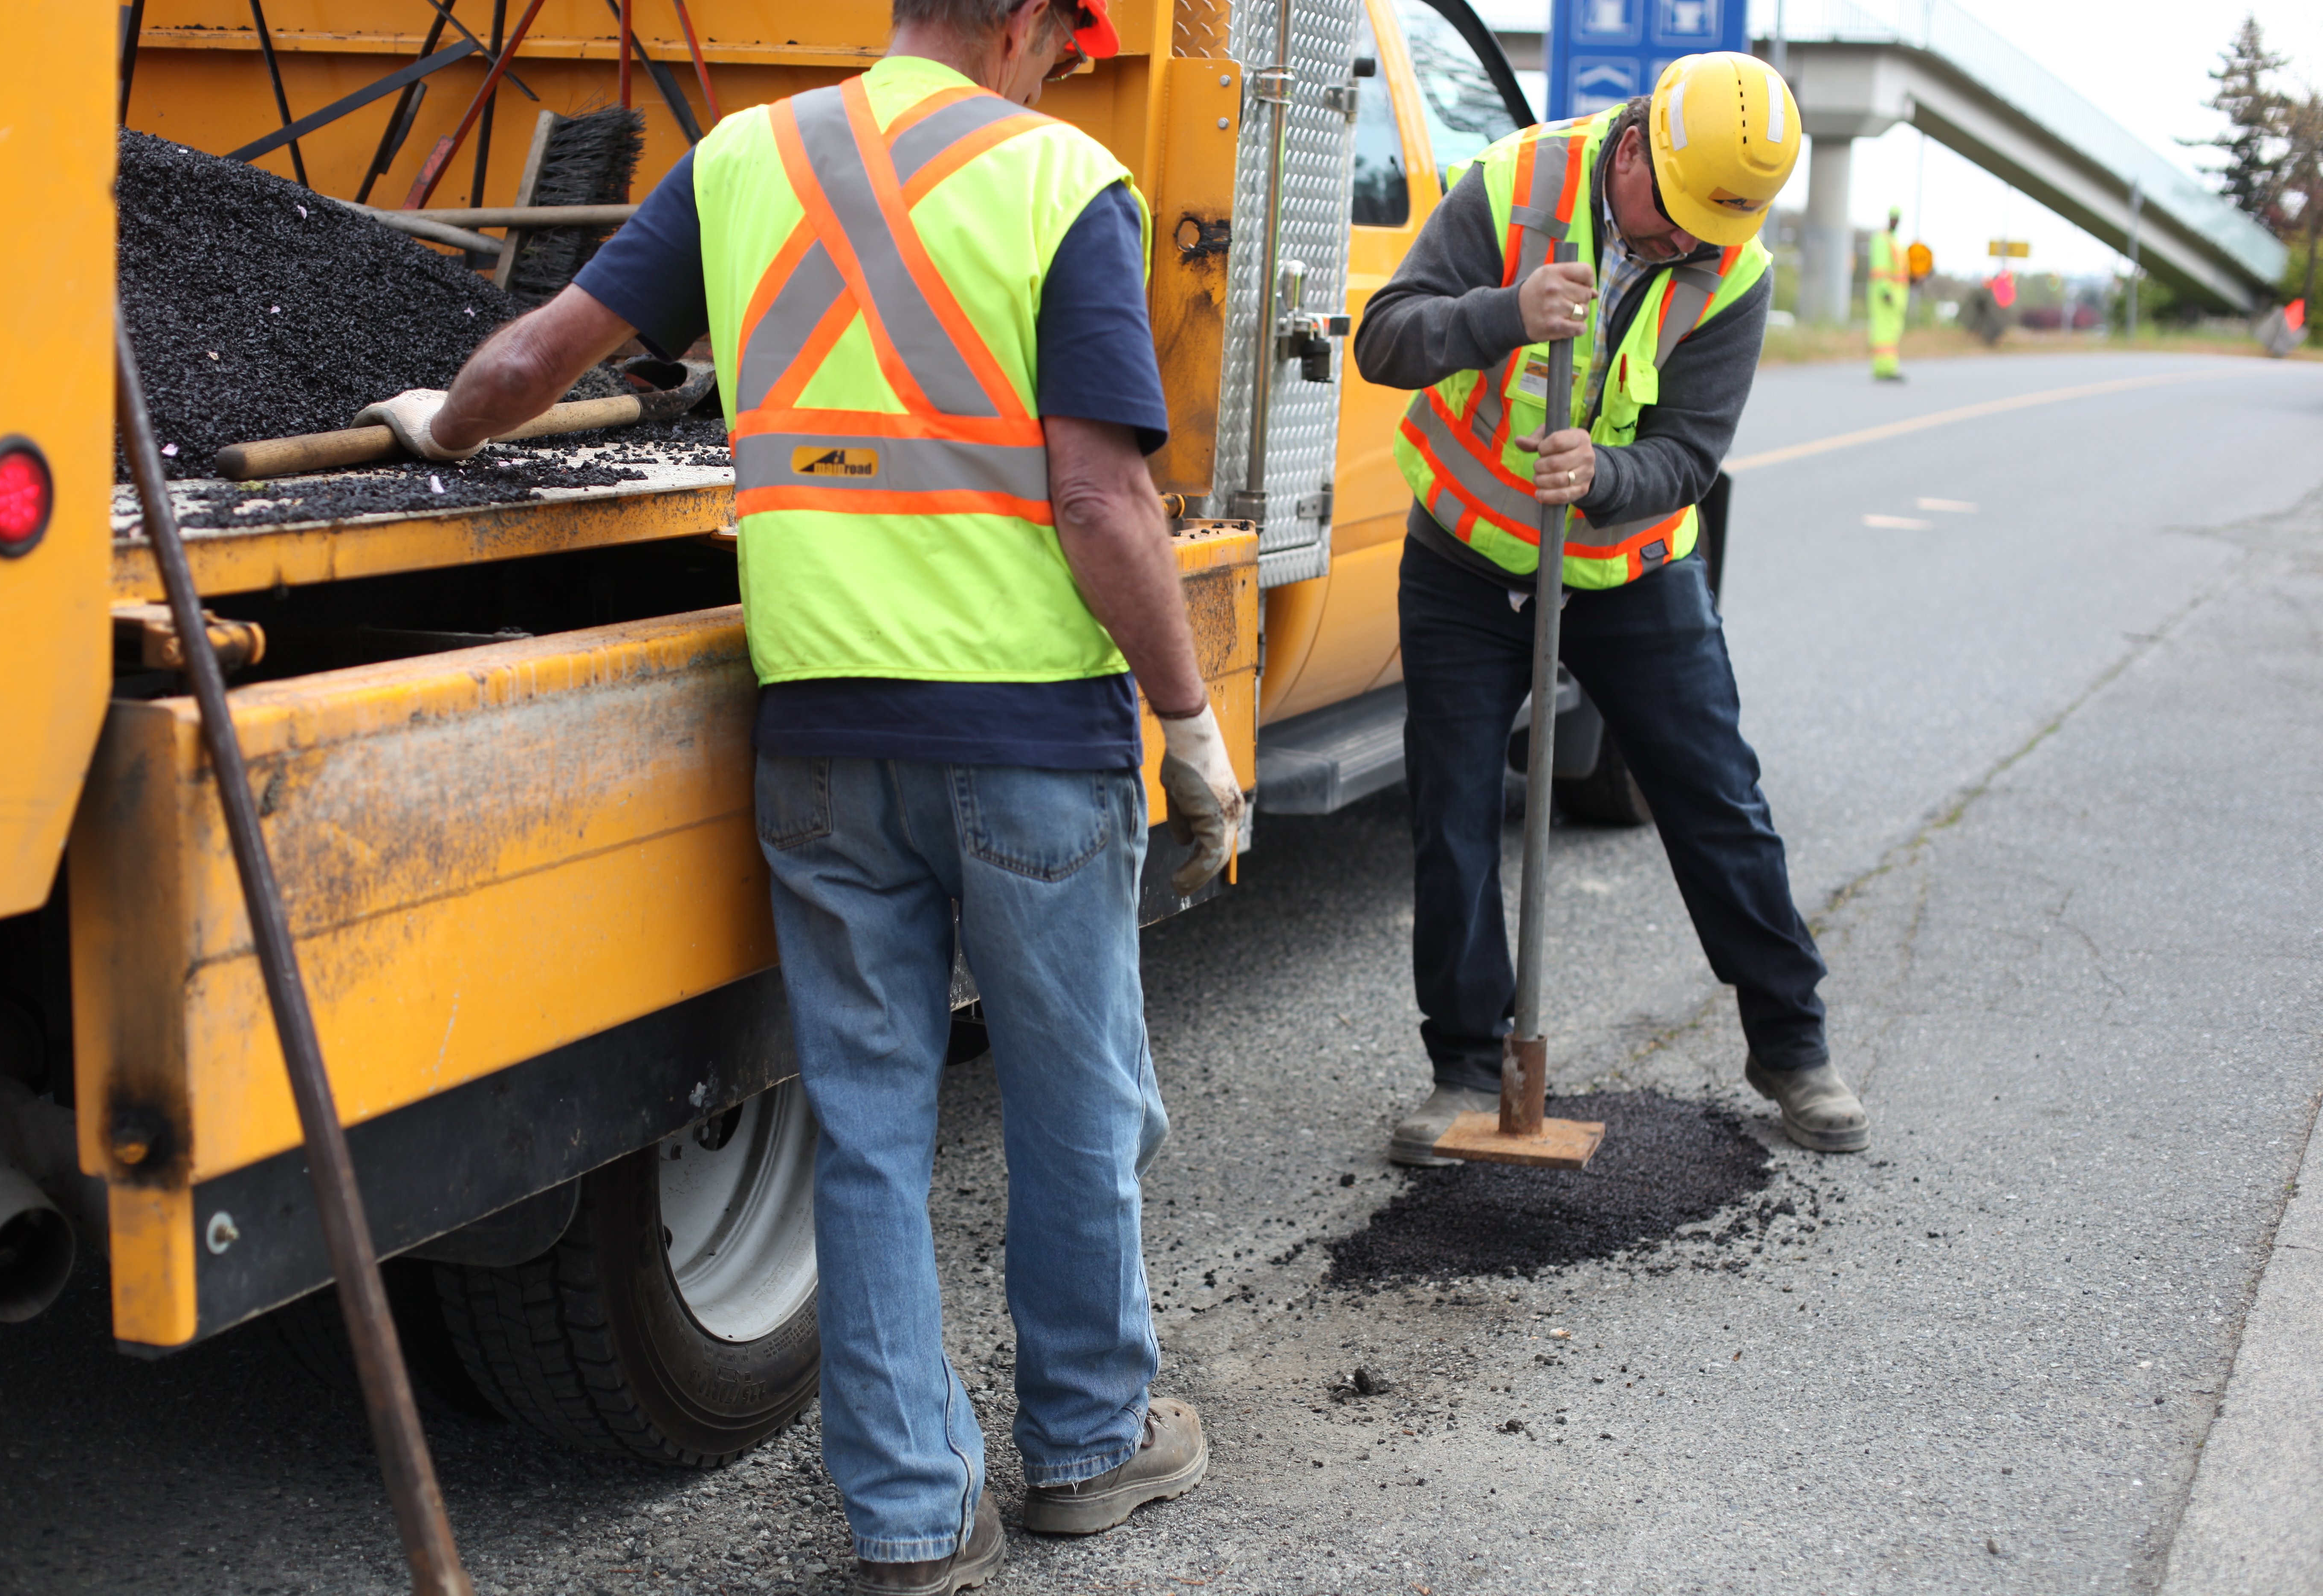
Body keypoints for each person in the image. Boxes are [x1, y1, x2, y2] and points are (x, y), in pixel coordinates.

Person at [352, 0, 1235, 1589]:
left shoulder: (748, 159)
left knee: (870, 1135)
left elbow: (539, 355)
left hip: (825, 737)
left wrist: (442, 423)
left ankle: (909, 1516)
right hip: (1030, 742)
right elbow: (1101, 497)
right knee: (1073, 1107)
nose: (1064, 68)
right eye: (1066, 40)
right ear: (1025, 23)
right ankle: (1091, 1446)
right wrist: (1193, 725)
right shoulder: (1058, 181)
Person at [1351, 52, 1872, 1167]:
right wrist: (1503, 313)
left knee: (1716, 796)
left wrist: (1606, 478)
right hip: (1465, 555)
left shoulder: (1733, 268)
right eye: (1671, 217)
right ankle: (1461, 1068)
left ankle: (1792, 1044)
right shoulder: (1513, 187)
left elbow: (1689, 455)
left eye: (1706, 231)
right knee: (1450, 810)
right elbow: (1387, 337)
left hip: (1629, 565)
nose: (1680, 244)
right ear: (1633, 148)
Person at [1871, 206, 1909, 380]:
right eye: (1895, 218)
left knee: (1892, 332)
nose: (1896, 222)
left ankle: (1889, 367)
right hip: (1886, 294)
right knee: (1884, 333)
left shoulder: (1895, 241)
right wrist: (1885, 290)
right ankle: (1884, 369)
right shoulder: (1883, 239)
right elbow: (1880, 268)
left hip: (1897, 296)